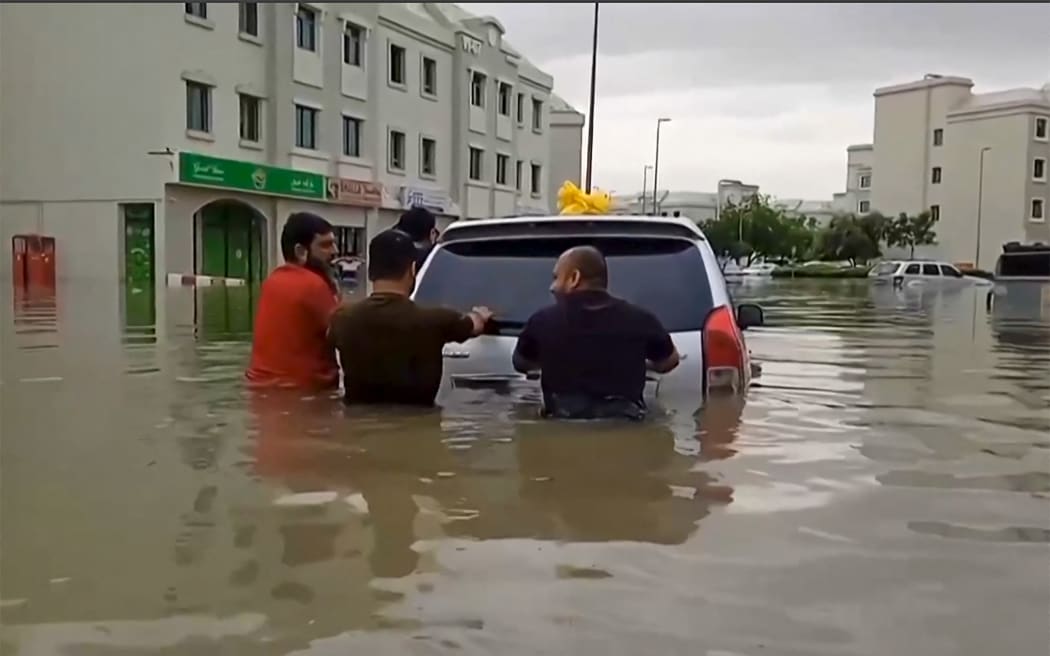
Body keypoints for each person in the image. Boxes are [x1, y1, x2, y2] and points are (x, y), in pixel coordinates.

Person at [512, 246, 680, 420]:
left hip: (562, 429)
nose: (552, 287)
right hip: (624, 426)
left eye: (556, 278)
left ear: (574, 278)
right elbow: (670, 361)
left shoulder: (542, 321)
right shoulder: (641, 319)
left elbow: (521, 364)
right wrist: (639, 363)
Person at [329, 229, 493, 406]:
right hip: (420, 425)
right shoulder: (437, 320)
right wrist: (479, 314)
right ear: (412, 269)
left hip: (357, 427)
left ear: (369, 272)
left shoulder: (342, 319)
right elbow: (474, 326)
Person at [245, 212, 340, 390]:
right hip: (306, 393)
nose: (335, 251)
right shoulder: (314, 285)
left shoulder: (271, 282)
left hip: (261, 388)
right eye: (326, 245)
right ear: (300, 252)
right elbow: (346, 337)